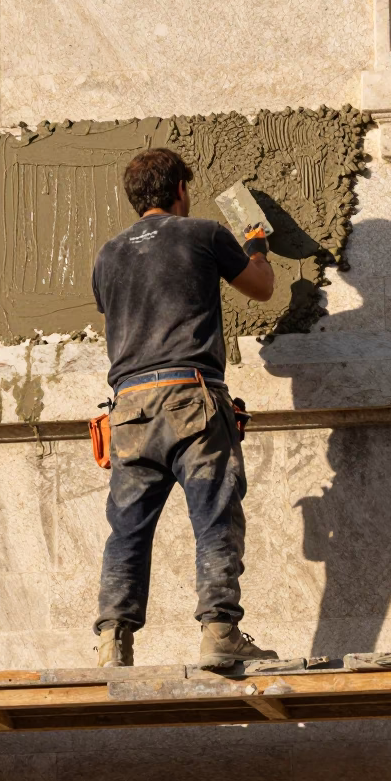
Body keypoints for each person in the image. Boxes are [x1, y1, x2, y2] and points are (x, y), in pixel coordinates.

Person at [91, 147, 279, 669]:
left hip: (127, 409)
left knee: (127, 529)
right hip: (189, 396)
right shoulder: (202, 233)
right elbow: (261, 290)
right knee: (215, 515)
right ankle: (220, 630)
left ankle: (112, 641)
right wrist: (257, 247)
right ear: (178, 190)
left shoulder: (108, 255)